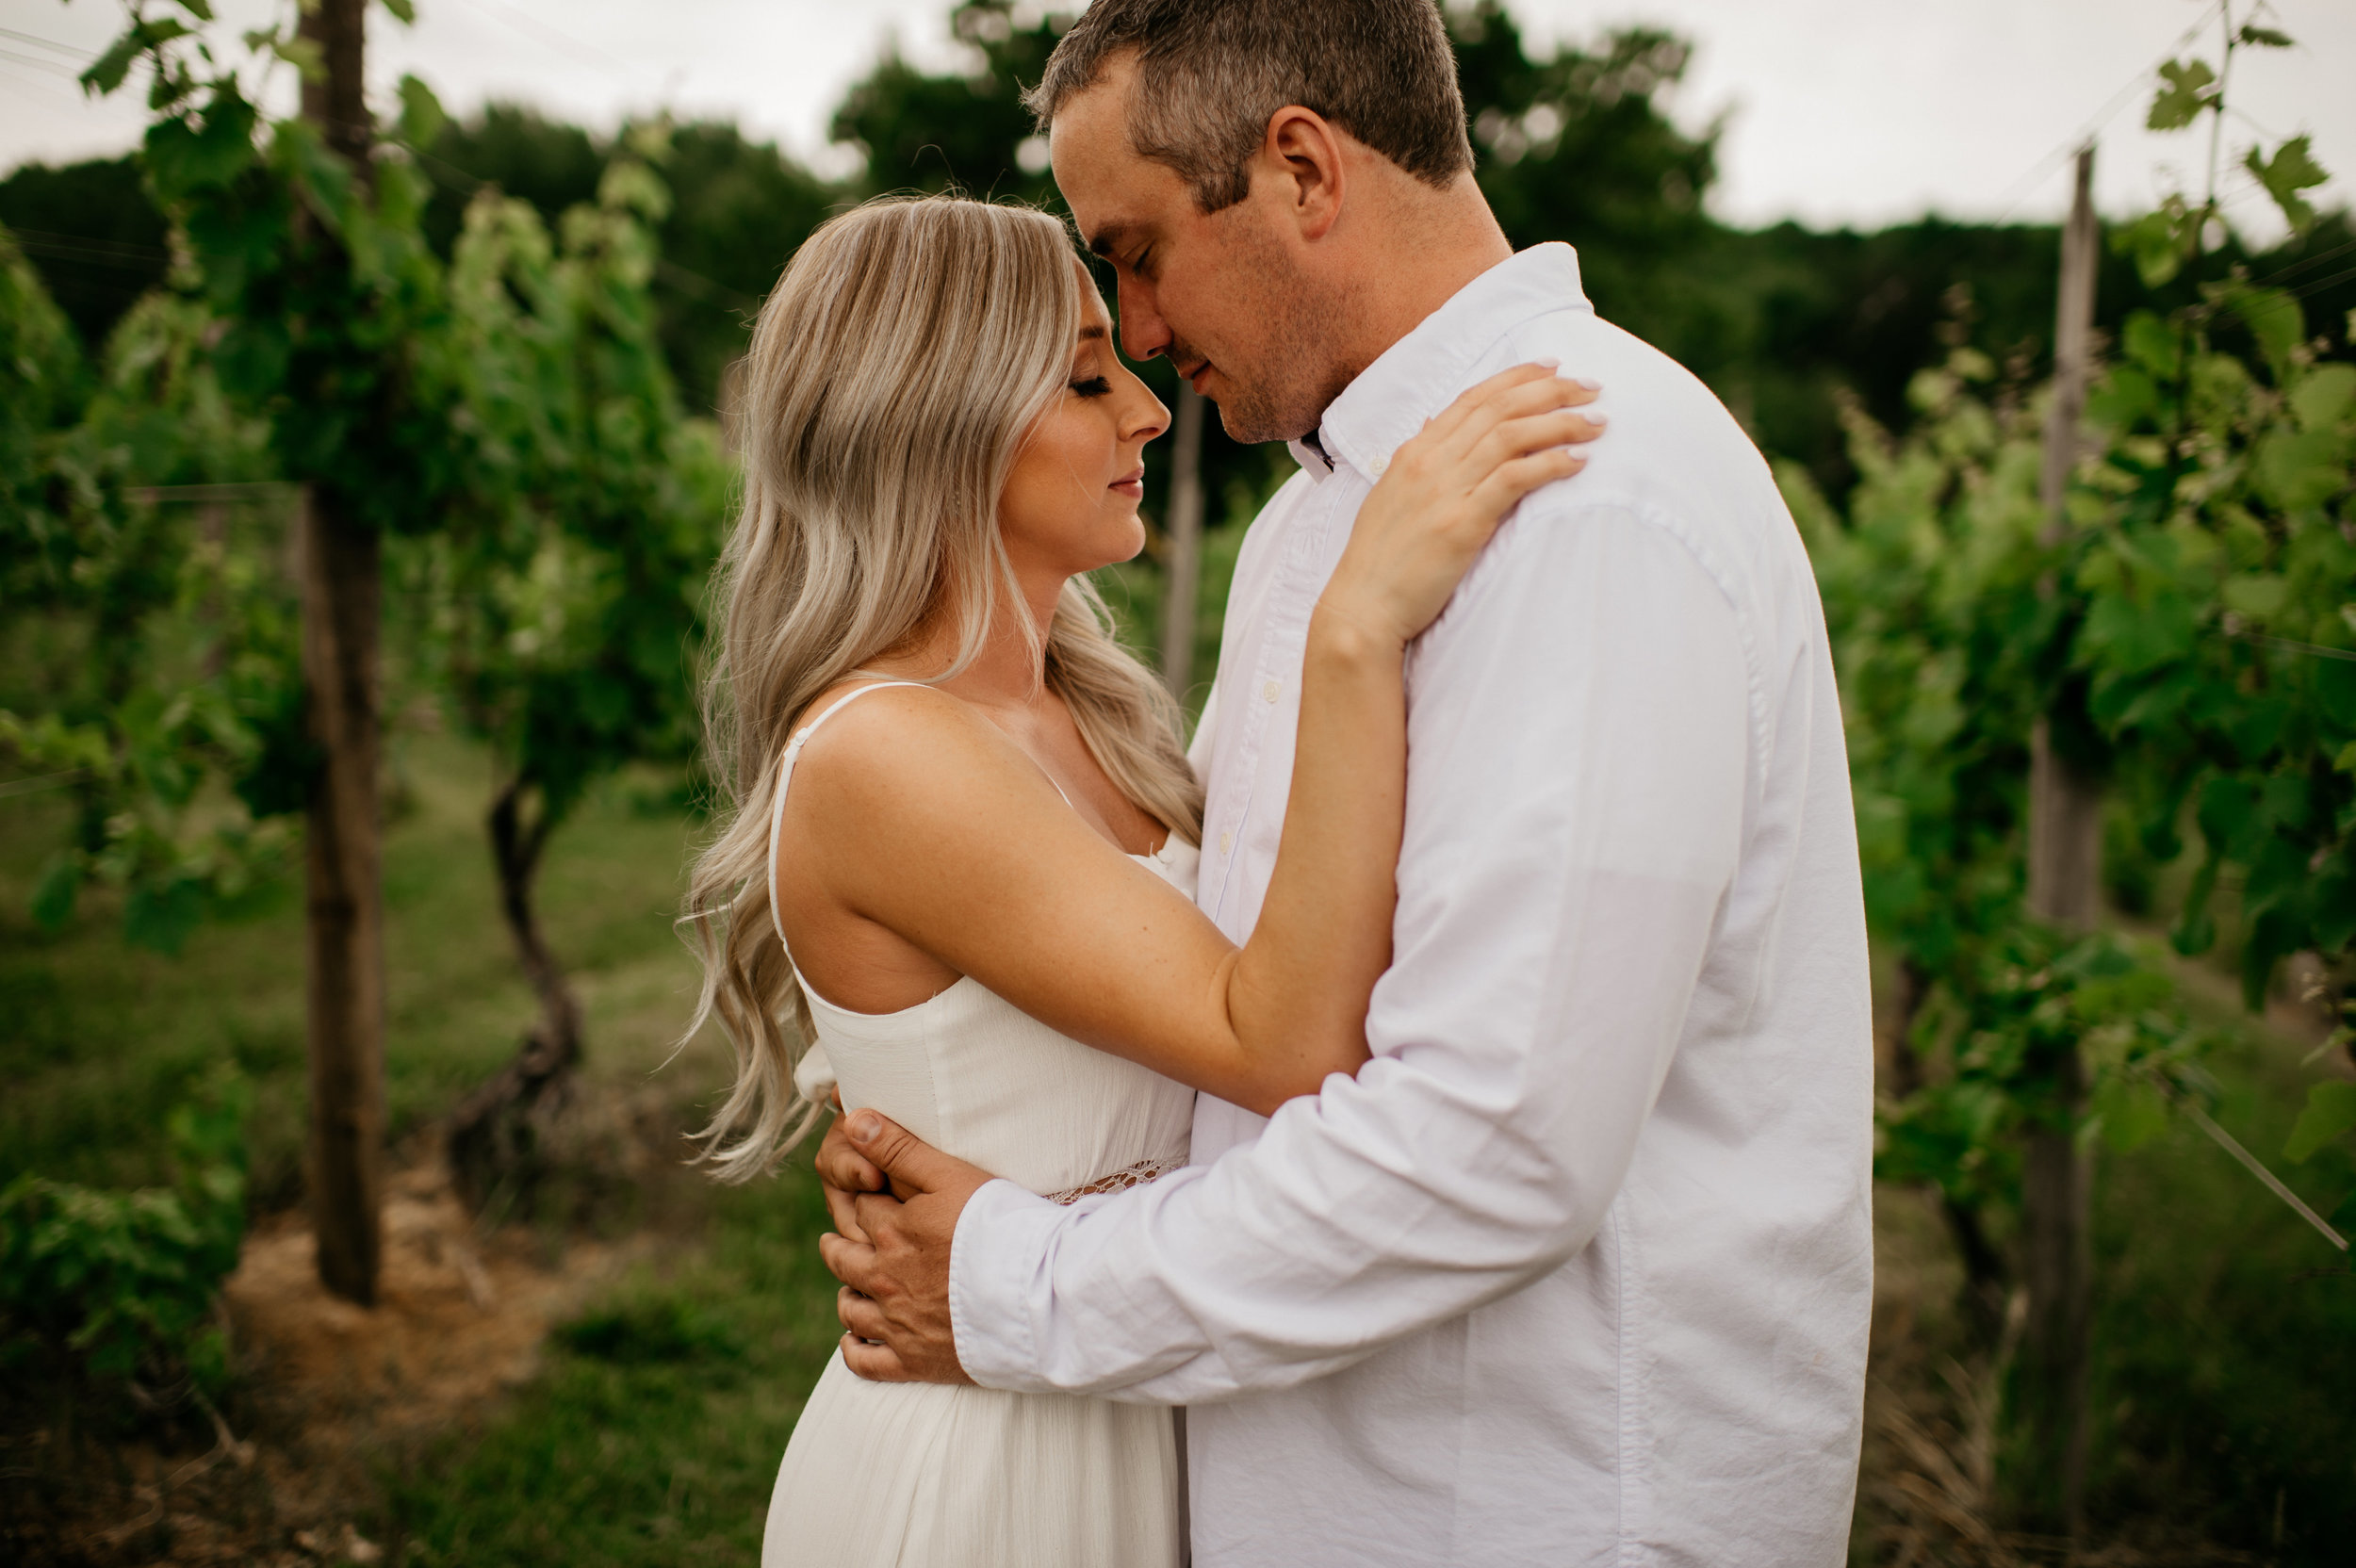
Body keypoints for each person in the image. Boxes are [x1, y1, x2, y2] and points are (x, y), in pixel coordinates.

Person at [811, 2, 1877, 1565]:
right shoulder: (1324, 520)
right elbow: (1269, 1011)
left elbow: (1487, 1150)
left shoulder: (1582, 506)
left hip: (1525, 1504)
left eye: (1142, 250)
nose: (1144, 331)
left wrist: (1013, 1278)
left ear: (1302, 169)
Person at [675, 191, 1600, 1567]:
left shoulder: (1086, 717)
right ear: (939, 416)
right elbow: (1276, 1037)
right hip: (989, 1469)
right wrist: (1358, 626)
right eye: (1084, 375)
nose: (1149, 411)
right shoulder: (885, 754)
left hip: (1117, 1391)